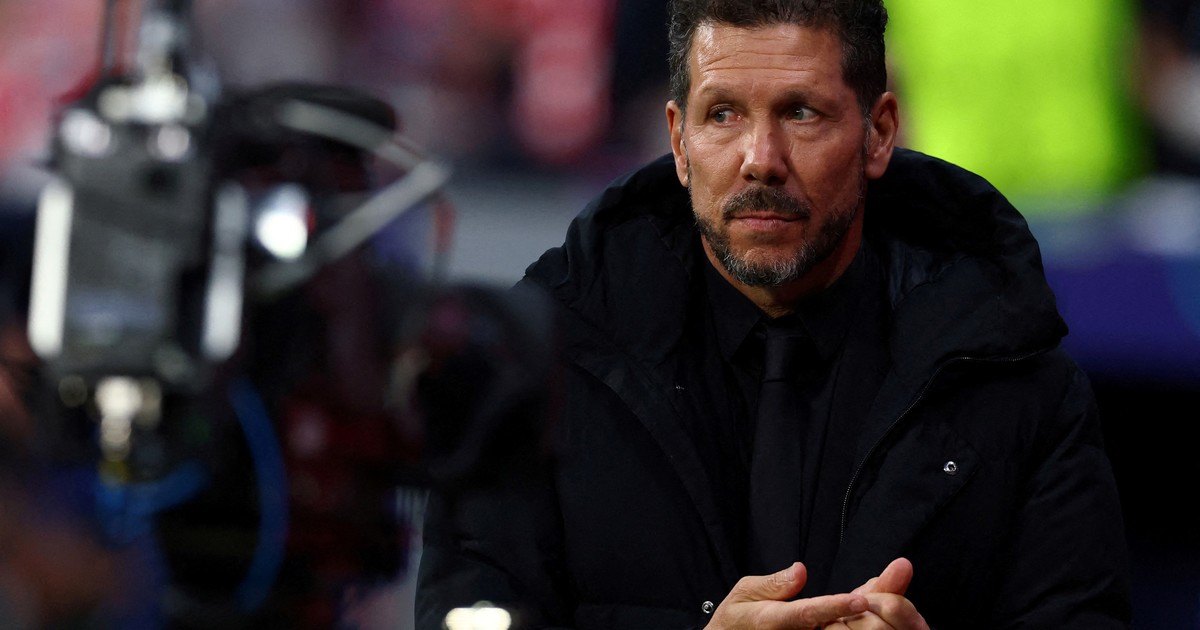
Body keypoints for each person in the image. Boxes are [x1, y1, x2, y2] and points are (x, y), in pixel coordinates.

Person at [415, 0, 1132, 628]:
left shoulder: (1021, 383)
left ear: (880, 133)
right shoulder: (539, 378)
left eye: (800, 113)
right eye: (723, 114)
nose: (761, 159)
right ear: (678, 141)